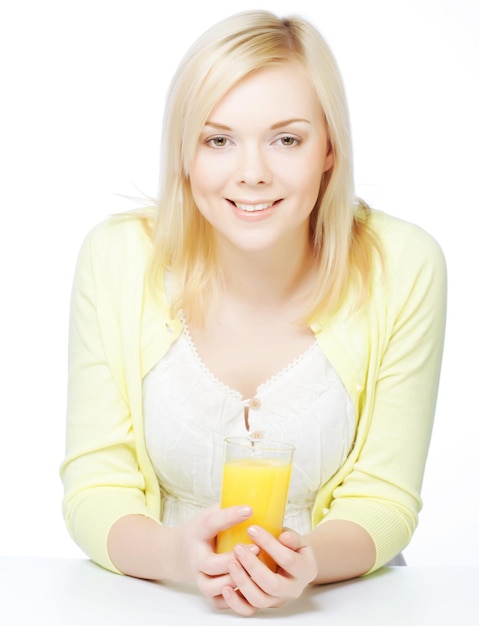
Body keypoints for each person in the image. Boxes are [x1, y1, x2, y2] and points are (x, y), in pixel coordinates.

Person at [60, 10, 447, 617]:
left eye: (286, 139)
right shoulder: (117, 259)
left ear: (329, 151)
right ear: (185, 155)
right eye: (218, 139)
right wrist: (175, 558)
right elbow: (95, 488)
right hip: (159, 606)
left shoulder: (405, 263)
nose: (252, 173)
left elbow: (385, 499)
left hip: (345, 608)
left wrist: (307, 564)